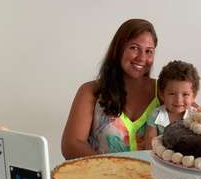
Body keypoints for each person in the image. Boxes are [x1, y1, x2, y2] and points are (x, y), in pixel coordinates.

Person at [61, 19, 160, 159]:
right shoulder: (90, 91)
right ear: (118, 49)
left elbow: (196, 120)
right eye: (134, 48)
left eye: (149, 51)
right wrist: (112, 169)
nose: (142, 58)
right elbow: (71, 145)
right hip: (102, 178)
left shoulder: (164, 90)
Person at [143, 60, 201, 149]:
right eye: (172, 94)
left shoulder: (196, 117)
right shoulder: (156, 115)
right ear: (162, 94)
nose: (178, 100)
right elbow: (149, 145)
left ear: (194, 96)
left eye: (185, 94)